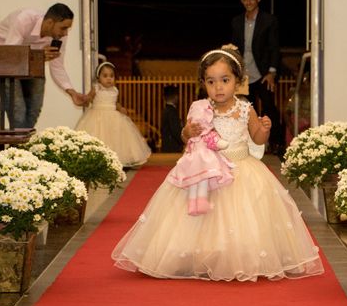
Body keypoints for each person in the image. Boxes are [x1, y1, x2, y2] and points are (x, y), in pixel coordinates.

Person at [112, 45, 324, 281]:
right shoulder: (201, 109)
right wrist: (187, 131)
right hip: (207, 172)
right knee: (203, 219)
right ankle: (202, 255)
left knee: (243, 218)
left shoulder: (245, 109)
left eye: (225, 80)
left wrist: (264, 129)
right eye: (211, 82)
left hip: (242, 170)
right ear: (204, 83)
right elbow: (187, 139)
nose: (218, 87)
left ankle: (239, 256)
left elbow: (256, 139)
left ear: (238, 80)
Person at [0, 3, 86, 129]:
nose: (66, 33)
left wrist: (72, 92)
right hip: (2, 60)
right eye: (63, 28)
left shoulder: (58, 37)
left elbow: (57, 66)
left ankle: (19, 145)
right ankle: (19, 146)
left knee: (34, 110)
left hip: (30, 64)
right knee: (18, 111)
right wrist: (37, 55)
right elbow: (11, 54)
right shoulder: (25, 19)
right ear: (50, 22)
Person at [231, 0, 283, 154]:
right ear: (241, 1)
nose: (248, 2)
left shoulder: (269, 20)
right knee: (243, 110)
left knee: (269, 108)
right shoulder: (236, 21)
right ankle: (246, 144)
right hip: (243, 75)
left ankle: (276, 143)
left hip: (263, 74)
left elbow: (275, 48)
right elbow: (235, 48)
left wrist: (272, 72)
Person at [75, 61, 150, 167]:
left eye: (111, 76)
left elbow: (116, 103)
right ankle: (98, 160)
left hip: (113, 117)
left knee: (116, 139)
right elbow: (89, 98)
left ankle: (115, 161)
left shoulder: (115, 90)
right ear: (98, 78)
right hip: (97, 117)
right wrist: (85, 99)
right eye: (105, 76)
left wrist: (121, 109)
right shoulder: (96, 88)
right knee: (99, 137)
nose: (109, 78)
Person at [167, 99, 233, 215]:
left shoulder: (195, 140)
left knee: (194, 180)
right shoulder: (206, 134)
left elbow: (188, 145)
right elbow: (216, 142)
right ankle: (202, 202)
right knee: (202, 178)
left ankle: (192, 204)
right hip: (205, 161)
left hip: (192, 160)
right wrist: (186, 133)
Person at [160, 85, 183, 152]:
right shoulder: (172, 111)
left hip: (167, 146)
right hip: (172, 147)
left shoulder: (166, 110)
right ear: (175, 97)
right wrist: (183, 140)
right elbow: (175, 130)